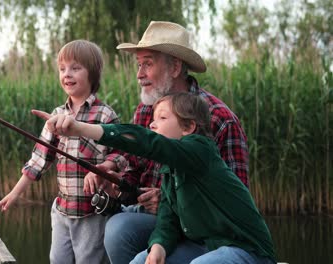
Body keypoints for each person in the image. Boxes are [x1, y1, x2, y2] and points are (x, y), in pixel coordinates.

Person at [33, 92, 276, 264]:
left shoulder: (201, 150)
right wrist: (159, 246)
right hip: (204, 245)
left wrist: (80, 128)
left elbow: (149, 143)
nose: (151, 123)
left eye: (161, 118)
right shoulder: (171, 170)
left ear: (188, 127)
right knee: (141, 260)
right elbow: (168, 221)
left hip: (247, 251)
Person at [86, 21, 250, 263]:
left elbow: (235, 201)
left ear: (175, 67)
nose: (139, 74)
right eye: (139, 64)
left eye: (148, 64)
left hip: (207, 235)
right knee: (118, 228)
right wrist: (115, 179)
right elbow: (134, 166)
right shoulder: (146, 110)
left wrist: (172, 202)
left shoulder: (220, 119)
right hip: (162, 222)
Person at [0, 39, 127, 264]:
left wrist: (105, 167)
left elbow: (121, 155)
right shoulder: (55, 115)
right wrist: (14, 194)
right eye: (62, 69)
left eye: (75, 68)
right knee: (57, 260)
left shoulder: (105, 115)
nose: (67, 74)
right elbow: (38, 160)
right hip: (62, 209)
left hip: (91, 212)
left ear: (92, 73)